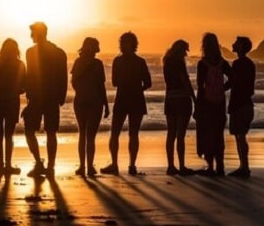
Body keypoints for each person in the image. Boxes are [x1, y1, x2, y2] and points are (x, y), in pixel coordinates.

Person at [101, 31, 152, 176]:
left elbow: (115, 82)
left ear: (130, 44)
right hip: (134, 99)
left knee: (123, 133)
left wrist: (129, 85)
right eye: (122, 43)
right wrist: (138, 88)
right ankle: (127, 165)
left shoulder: (118, 61)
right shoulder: (140, 61)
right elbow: (148, 83)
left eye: (124, 43)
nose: (122, 46)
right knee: (126, 133)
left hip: (124, 98)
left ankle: (125, 164)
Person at [23, 22, 68, 178]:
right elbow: (63, 77)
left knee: (30, 131)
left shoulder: (31, 52)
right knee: (50, 132)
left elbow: (30, 76)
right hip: (50, 97)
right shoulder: (59, 52)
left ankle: (40, 163)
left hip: (37, 97)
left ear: (38, 34)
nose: (30, 36)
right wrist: (61, 96)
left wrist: (28, 97)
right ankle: (49, 166)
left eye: (32, 33)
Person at [194, 32, 232, 176]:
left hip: (206, 103)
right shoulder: (222, 62)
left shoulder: (202, 64)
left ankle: (210, 166)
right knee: (218, 134)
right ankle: (220, 166)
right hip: (220, 102)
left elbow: (200, 86)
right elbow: (232, 78)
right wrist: (223, 88)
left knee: (207, 133)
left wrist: (198, 104)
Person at [71, 37, 109, 177]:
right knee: (90, 136)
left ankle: (82, 166)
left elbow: (73, 82)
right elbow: (101, 86)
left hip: (81, 100)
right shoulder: (98, 64)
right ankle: (89, 167)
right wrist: (105, 104)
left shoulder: (78, 62)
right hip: (95, 101)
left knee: (82, 134)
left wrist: (82, 91)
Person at [0, 38, 27, 175]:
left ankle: (0, 165)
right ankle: (8, 164)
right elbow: (23, 87)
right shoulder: (20, 65)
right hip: (12, 102)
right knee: (9, 135)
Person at [163, 39, 196, 176]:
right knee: (180, 134)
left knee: (171, 134)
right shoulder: (179, 63)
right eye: (184, 51)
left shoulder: (166, 62)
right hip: (182, 99)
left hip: (170, 99)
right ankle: (181, 166)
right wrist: (194, 98)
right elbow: (185, 80)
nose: (185, 54)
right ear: (180, 50)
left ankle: (170, 166)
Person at [228, 36, 256, 178]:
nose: (233, 44)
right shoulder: (250, 64)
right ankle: (244, 166)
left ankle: (244, 166)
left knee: (240, 137)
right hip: (247, 104)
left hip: (239, 105)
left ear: (241, 47)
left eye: (236, 43)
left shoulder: (238, 64)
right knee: (241, 136)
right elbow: (249, 88)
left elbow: (233, 84)